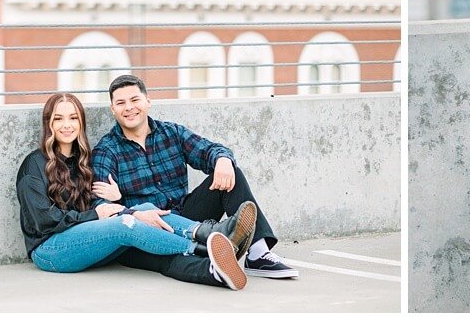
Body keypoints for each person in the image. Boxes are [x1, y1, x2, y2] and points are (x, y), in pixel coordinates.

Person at [15, 92, 257, 291]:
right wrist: (97, 215)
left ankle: (210, 232)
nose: (66, 125)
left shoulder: (84, 162)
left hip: (85, 237)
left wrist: (120, 203)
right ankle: (204, 250)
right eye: (58, 119)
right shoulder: (34, 165)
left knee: (146, 210)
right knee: (125, 224)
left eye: (73, 118)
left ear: (81, 123)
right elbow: (44, 221)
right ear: (49, 123)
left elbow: (99, 208)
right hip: (50, 249)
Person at [92, 74, 299, 282]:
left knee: (231, 172)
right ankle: (215, 265)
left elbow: (210, 150)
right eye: (120, 103)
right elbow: (102, 207)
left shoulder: (171, 133)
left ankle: (257, 254)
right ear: (112, 109)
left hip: (186, 217)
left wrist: (223, 159)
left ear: (148, 101)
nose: (128, 107)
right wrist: (122, 203)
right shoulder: (106, 151)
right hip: (146, 230)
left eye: (134, 100)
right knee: (165, 256)